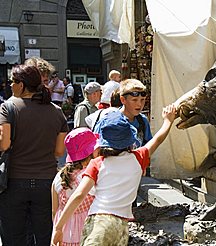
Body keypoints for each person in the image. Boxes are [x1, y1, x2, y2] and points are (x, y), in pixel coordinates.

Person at [51, 104, 177, 246]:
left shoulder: (97, 163)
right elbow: (158, 140)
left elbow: (79, 195)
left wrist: (59, 227)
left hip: (99, 222)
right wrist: (168, 120)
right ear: (130, 139)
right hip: (122, 225)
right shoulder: (139, 157)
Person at [0, 64, 68, 245]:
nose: (10, 85)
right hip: (47, 181)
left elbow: (4, 144)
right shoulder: (57, 111)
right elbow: (59, 151)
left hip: (14, 181)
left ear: (21, 85)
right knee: (45, 235)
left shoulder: (8, 108)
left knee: (14, 237)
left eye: (12, 82)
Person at [51, 127, 99, 246]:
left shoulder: (59, 176)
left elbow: (54, 210)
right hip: (86, 230)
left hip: (63, 231)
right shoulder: (88, 177)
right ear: (90, 152)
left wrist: (58, 227)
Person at [119, 79, 152, 148]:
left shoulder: (142, 121)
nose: (139, 104)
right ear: (123, 100)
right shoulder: (113, 121)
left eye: (142, 100)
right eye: (134, 100)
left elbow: (148, 146)